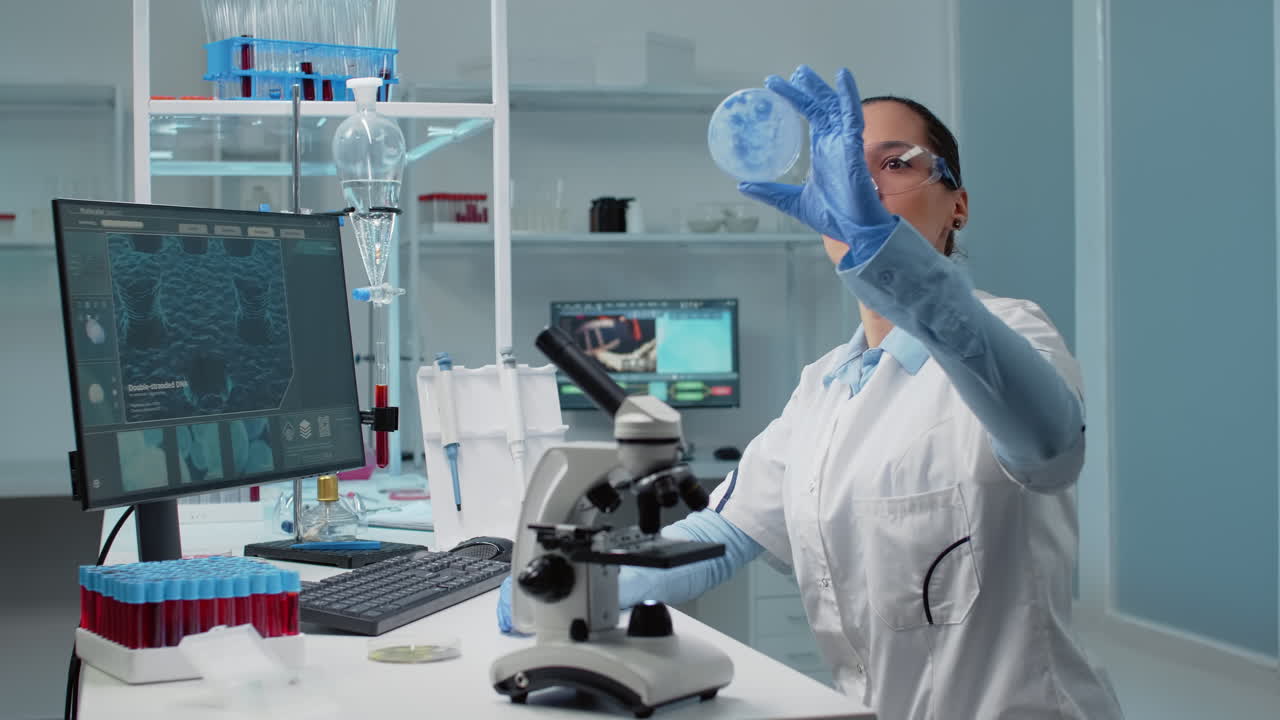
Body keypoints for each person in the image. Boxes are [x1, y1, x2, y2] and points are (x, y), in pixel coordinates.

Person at [500, 65, 1123, 719]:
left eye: (894, 165)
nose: (862, 189)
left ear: (957, 204)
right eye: (844, 171)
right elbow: (727, 530)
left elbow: (1051, 448)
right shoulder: (823, 386)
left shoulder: (1011, 332)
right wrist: (571, 592)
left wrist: (881, 248)